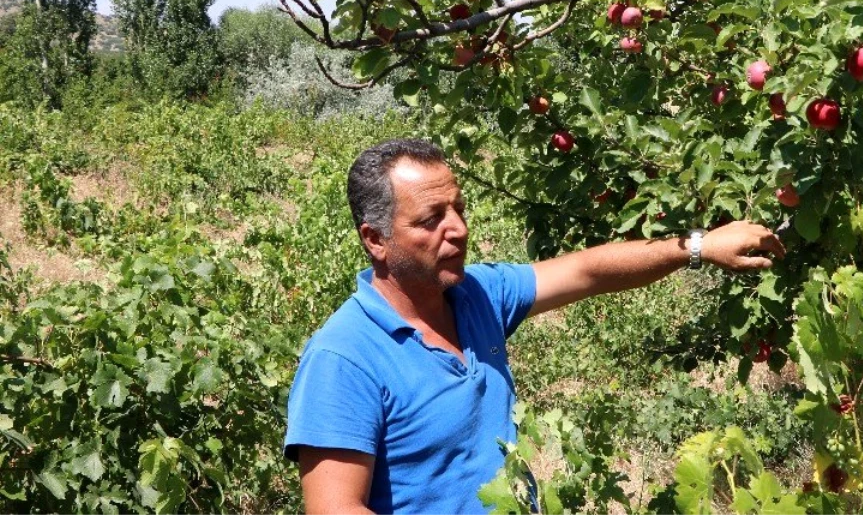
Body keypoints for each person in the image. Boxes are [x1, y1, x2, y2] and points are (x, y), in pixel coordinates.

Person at [284, 138, 785, 514]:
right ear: (376, 239)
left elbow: (586, 271)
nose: (457, 228)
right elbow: (335, 509)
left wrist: (698, 247)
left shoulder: (477, 295)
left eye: (458, 208)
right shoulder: (344, 358)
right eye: (431, 218)